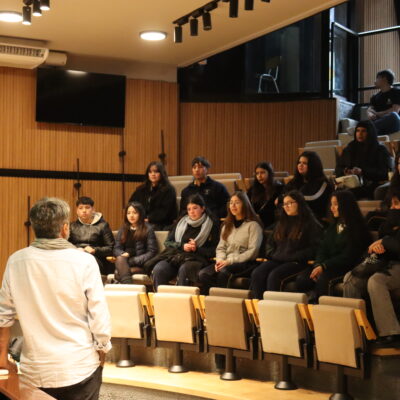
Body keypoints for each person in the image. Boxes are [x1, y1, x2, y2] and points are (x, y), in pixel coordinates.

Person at [0, 197, 111, 400]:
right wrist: (103, 348)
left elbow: (3, 315)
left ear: (34, 227)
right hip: (80, 365)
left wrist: (2, 358)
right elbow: (98, 313)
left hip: (36, 369)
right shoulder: (85, 261)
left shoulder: (16, 261)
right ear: (65, 228)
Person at [343, 190, 400, 347]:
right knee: (350, 278)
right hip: (385, 262)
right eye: (392, 204)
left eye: (397, 203)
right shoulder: (387, 223)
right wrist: (374, 248)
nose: (394, 208)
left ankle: (390, 332)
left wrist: (385, 242)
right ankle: (356, 328)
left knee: (376, 281)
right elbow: (379, 244)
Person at [296, 190, 371, 301]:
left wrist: (324, 266)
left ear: (345, 205)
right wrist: (318, 264)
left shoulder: (358, 228)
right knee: (302, 279)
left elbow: (348, 256)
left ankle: (322, 311)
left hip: (345, 267)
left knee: (323, 280)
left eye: (335, 204)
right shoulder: (333, 226)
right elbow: (323, 248)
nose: (332, 208)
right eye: (331, 204)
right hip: (327, 265)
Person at [250, 190, 322, 299]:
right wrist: (272, 254)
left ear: (299, 203)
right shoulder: (281, 222)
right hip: (278, 259)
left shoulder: (311, 224)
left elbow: (315, 248)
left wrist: (297, 256)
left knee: (274, 276)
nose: (286, 206)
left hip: (297, 262)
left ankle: (275, 309)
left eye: (290, 203)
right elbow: (269, 244)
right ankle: (259, 308)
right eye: (284, 204)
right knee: (257, 273)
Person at [198, 191, 263, 294]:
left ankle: (223, 304)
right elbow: (221, 248)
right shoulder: (226, 225)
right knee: (203, 274)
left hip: (245, 263)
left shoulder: (253, 225)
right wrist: (220, 261)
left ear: (245, 204)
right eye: (231, 202)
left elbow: (253, 251)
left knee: (223, 273)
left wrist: (229, 261)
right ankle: (213, 302)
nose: (233, 205)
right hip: (225, 261)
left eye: (237, 202)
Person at [151, 195, 219, 289]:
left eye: (195, 208)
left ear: (203, 208)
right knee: (159, 269)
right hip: (176, 257)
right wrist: (182, 246)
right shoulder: (181, 223)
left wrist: (196, 249)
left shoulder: (211, 225)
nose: (192, 212)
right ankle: (161, 300)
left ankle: (181, 301)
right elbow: (168, 243)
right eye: (189, 209)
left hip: (197, 259)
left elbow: (214, 250)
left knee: (185, 269)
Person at [335, 121, 393, 199]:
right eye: (358, 131)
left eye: (363, 131)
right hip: (351, 183)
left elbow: (384, 173)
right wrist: (345, 171)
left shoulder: (380, 149)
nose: (360, 134)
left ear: (370, 133)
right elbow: (338, 169)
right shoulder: (350, 148)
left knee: (348, 194)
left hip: (372, 184)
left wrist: (363, 171)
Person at [113, 202, 158, 284]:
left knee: (118, 273)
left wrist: (132, 260)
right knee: (120, 260)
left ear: (140, 214)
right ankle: (129, 288)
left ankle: (127, 289)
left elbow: (152, 252)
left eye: (134, 212)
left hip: (142, 264)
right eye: (128, 213)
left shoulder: (148, 228)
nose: (131, 215)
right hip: (125, 261)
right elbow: (116, 248)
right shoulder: (123, 228)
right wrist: (123, 253)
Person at [68, 196, 115, 275]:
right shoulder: (71, 226)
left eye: (87, 208)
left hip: (96, 258)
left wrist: (95, 250)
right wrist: (76, 249)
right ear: (77, 211)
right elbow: (65, 245)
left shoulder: (103, 225)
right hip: (76, 256)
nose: (84, 211)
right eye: (81, 208)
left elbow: (111, 248)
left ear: (93, 210)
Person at [129, 161, 177, 230]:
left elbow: (165, 212)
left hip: (161, 223)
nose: (153, 174)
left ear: (161, 174)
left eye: (156, 172)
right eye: (150, 172)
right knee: (126, 229)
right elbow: (132, 203)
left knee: (144, 229)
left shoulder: (169, 190)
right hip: (141, 221)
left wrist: (149, 219)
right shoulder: (141, 189)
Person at [284, 151, 332, 220]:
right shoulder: (295, 181)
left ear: (313, 166)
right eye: (299, 162)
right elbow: (284, 195)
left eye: (304, 163)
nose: (300, 165)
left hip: (313, 220)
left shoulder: (322, 183)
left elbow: (312, 203)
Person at [247, 161, 283, 228]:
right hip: (255, 221)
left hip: (273, 222)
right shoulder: (252, 189)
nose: (259, 176)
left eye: (262, 172)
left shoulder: (279, 188)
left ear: (269, 173)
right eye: (257, 173)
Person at [367, 69, 400, 136]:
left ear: (384, 78)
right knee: (371, 121)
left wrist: (378, 114)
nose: (375, 81)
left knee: (393, 115)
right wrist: (370, 114)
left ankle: (365, 129)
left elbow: (395, 110)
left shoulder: (397, 92)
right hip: (380, 126)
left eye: (377, 78)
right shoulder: (375, 97)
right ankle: (367, 129)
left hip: (393, 124)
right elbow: (370, 109)